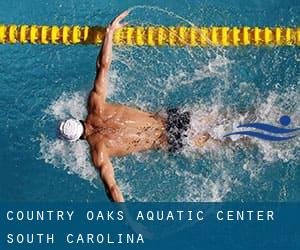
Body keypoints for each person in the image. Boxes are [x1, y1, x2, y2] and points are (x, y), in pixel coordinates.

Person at [58, 11, 210, 202]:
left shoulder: (99, 152)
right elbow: (103, 66)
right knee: (226, 118)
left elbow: (112, 189)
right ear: (76, 119)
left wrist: (130, 221)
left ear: (76, 140)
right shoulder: (95, 105)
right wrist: (109, 33)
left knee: (228, 141)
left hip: (171, 140)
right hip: (172, 118)